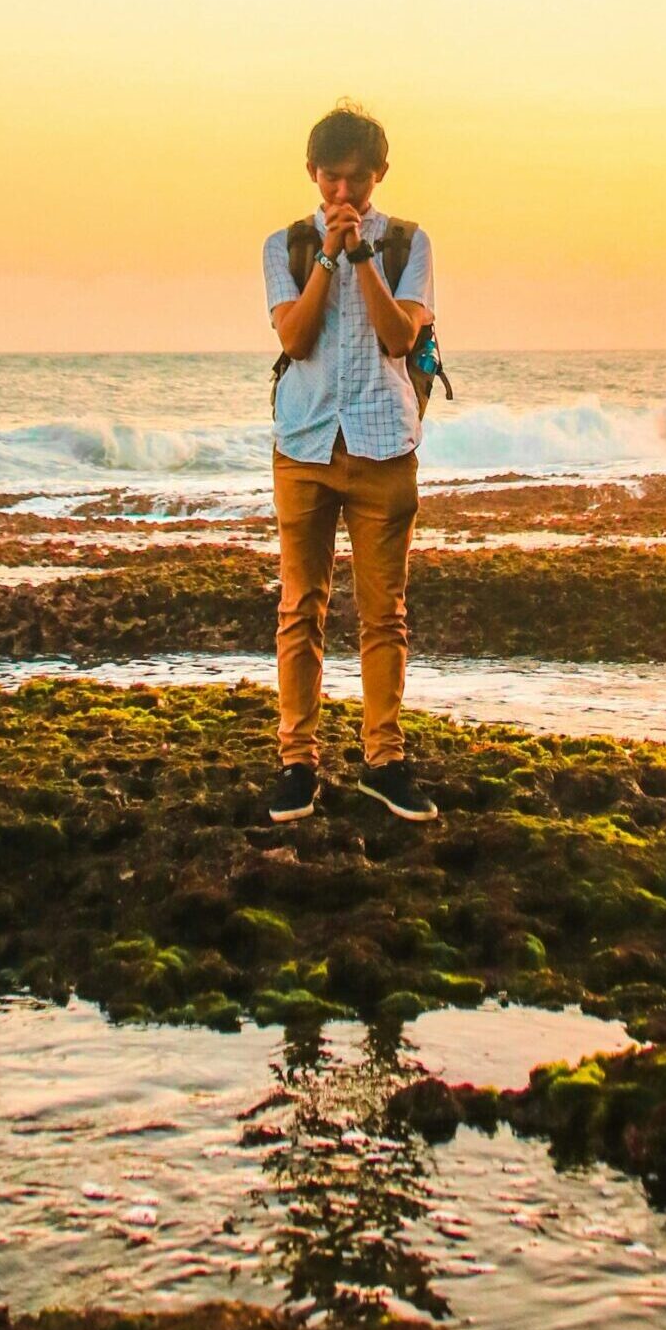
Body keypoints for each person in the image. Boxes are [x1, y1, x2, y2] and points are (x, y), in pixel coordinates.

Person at [262, 101, 438, 824]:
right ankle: (297, 761)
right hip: (303, 444)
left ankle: (383, 759)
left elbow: (400, 338)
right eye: (331, 180)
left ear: (379, 176)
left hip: (383, 445)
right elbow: (296, 339)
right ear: (312, 174)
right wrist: (329, 256)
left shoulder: (407, 243)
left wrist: (362, 255)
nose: (342, 196)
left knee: (383, 613)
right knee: (299, 607)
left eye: (356, 182)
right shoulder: (287, 245)